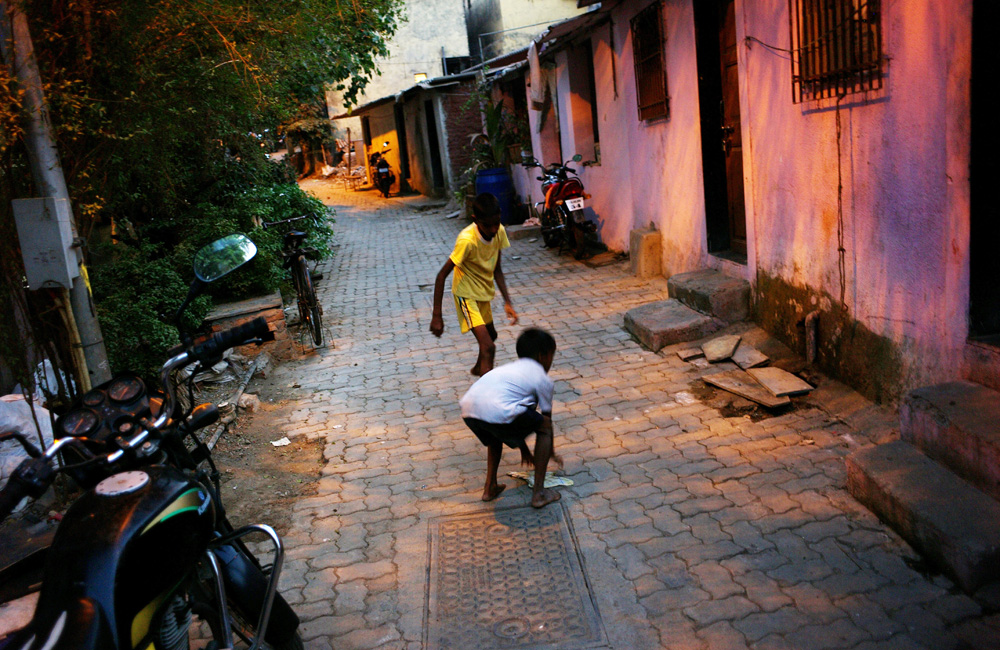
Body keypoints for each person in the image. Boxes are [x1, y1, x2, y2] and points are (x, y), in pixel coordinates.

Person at [459, 328, 562, 508]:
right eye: (552, 356)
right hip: (498, 411)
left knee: (494, 434)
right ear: (543, 356)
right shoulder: (543, 380)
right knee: (545, 427)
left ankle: (489, 487)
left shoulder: (509, 369)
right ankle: (539, 493)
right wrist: (550, 452)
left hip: (470, 408)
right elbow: (545, 421)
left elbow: (514, 420)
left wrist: (523, 449)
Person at [430, 193, 518, 376]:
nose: (493, 229)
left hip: (483, 293)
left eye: (496, 223)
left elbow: (498, 270)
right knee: (489, 347)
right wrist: (437, 316)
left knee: (491, 336)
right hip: (466, 295)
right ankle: (487, 399)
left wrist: (507, 302)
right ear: (475, 220)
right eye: (488, 225)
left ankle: (479, 367)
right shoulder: (467, 241)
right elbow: (441, 276)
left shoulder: (499, 231)